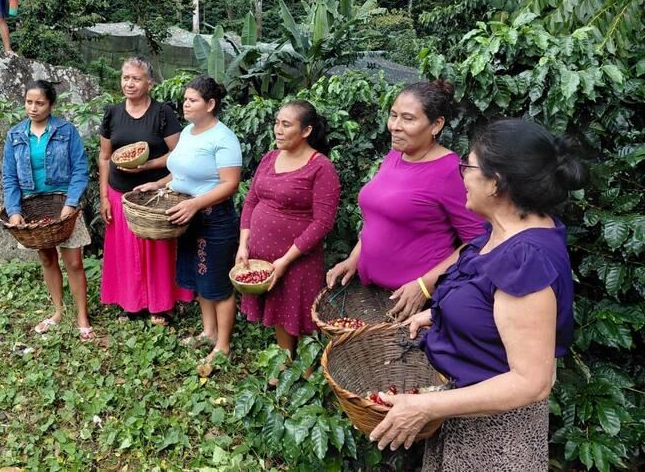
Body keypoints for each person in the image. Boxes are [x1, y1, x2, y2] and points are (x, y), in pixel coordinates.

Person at [368, 119, 587, 470]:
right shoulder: (502, 230)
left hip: (495, 439)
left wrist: (426, 407)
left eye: (467, 166)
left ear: (495, 183)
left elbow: (531, 382)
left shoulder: (525, 260)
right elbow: (486, 299)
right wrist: (436, 314)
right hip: (464, 410)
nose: (462, 175)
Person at [326, 80, 483, 321]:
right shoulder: (395, 156)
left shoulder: (449, 171)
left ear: (436, 125)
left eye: (408, 119)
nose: (394, 126)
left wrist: (424, 286)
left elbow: (478, 241)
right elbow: (378, 218)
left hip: (411, 305)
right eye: (393, 115)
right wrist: (354, 258)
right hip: (373, 294)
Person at [135, 76, 242, 368]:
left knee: (217, 284)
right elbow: (181, 174)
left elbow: (230, 184)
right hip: (186, 214)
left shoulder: (223, 138)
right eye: (185, 99)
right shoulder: (189, 132)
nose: (185, 104)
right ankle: (208, 332)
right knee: (198, 278)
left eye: (192, 100)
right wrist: (157, 185)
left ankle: (223, 346)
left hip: (213, 217)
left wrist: (196, 203)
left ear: (210, 104)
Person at [237, 100, 341, 362]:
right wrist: (243, 244)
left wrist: (285, 260)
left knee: (302, 315)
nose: (278, 130)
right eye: (276, 123)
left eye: (286, 124)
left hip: (298, 258)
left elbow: (322, 223)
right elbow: (251, 201)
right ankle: (285, 364)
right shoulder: (270, 158)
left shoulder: (321, 167)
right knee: (279, 310)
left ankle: (307, 374)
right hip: (262, 255)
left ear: (306, 131)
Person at [99, 57, 192, 325]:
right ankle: (131, 304)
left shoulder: (163, 113)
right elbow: (105, 156)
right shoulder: (113, 113)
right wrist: (104, 196)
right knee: (126, 250)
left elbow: (179, 153)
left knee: (157, 249)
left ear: (150, 83)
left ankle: (161, 306)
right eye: (126, 77)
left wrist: (147, 165)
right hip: (119, 194)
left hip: (154, 194)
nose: (130, 83)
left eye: (136, 78)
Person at [1, 80, 95, 341]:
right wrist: (14, 210)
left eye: (40, 103)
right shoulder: (16, 135)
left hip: (65, 203)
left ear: (51, 105)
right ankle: (58, 311)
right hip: (33, 205)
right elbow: (9, 176)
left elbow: (79, 168)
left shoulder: (66, 130)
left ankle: (82, 316)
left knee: (74, 262)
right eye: (29, 102)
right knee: (46, 258)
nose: (33, 108)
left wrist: (71, 202)